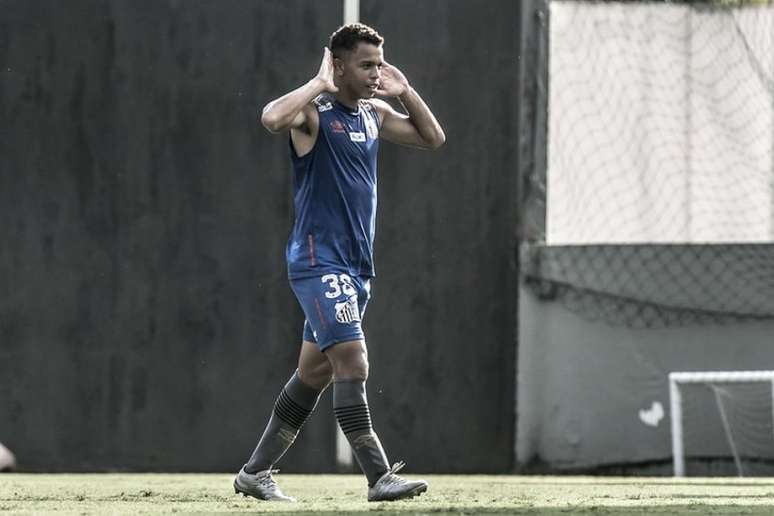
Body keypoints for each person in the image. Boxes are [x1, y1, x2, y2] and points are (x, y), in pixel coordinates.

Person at [234, 23, 445, 503]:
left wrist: (406, 91)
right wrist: (318, 83)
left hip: (356, 267)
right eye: (366, 64)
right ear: (340, 63)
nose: (375, 73)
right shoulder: (315, 113)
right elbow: (271, 118)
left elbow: (432, 138)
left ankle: (255, 472)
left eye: (379, 63)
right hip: (318, 261)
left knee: (314, 373)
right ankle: (378, 476)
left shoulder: (373, 114)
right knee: (354, 361)